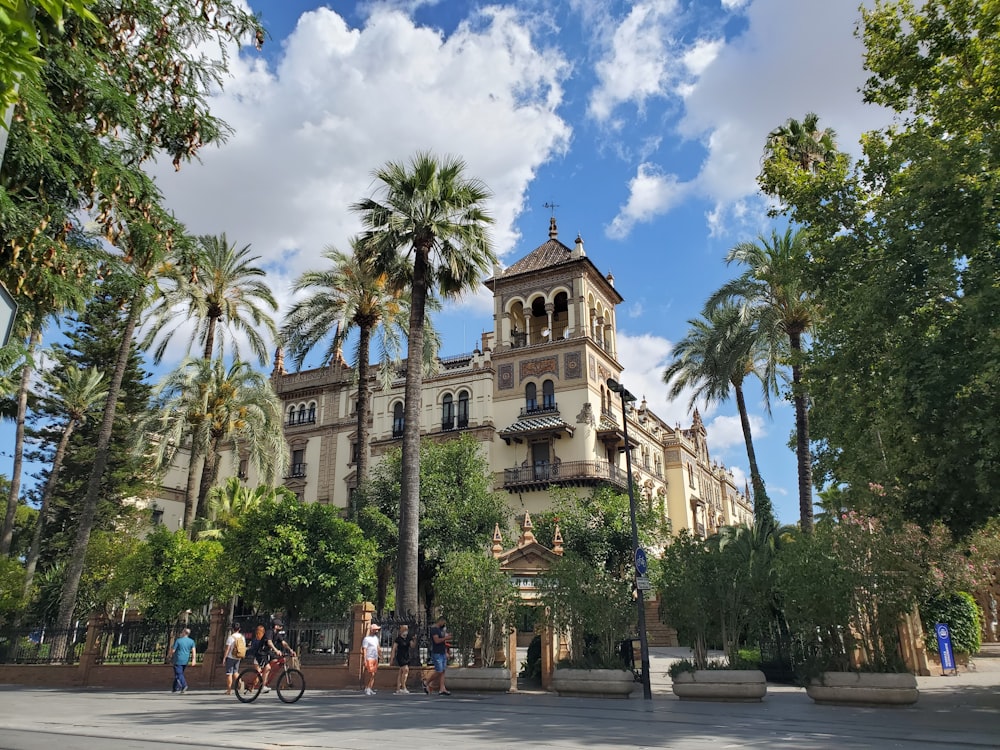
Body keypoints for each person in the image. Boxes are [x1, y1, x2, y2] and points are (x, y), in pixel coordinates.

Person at [259, 619, 295, 692]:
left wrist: (290, 650)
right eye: (280, 626)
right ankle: (262, 686)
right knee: (268, 667)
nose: (281, 627)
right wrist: (276, 650)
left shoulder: (277, 634)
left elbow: (283, 643)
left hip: (268, 652)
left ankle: (266, 680)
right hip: (261, 652)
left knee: (278, 661)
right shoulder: (269, 632)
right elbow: (269, 642)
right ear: (275, 626)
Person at [422, 616, 450, 696]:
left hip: (442, 652)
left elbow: (443, 642)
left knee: (443, 670)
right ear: (440, 621)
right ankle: (426, 682)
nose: (444, 624)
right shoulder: (434, 629)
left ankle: (442, 688)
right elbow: (437, 640)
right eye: (443, 622)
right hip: (436, 652)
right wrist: (446, 638)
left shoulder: (442, 629)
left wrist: (446, 651)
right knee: (439, 670)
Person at [169, 628, 196, 694]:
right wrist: (193, 659)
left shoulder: (178, 641)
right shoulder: (191, 641)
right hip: (185, 660)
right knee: (179, 673)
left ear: (184, 632)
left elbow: (173, 650)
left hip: (178, 659)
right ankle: (175, 687)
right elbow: (193, 651)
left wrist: (169, 654)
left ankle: (184, 685)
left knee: (179, 674)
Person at [221, 622, 246, 695]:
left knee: (229, 673)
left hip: (230, 657)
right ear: (239, 629)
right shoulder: (242, 637)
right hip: (238, 657)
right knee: (236, 672)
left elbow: (227, 649)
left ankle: (229, 690)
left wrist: (224, 658)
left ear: (232, 629)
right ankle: (241, 685)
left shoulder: (231, 637)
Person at [390, 624, 415, 694]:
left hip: (406, 656)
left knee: (401, 672)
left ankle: (398, 688)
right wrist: (392, 658)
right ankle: (404, 687)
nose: (406, 631)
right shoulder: (398, 639)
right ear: (401, 630)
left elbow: (412, 646)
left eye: (406, 630)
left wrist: (414, 640)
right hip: (400, 656)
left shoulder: (408, 638)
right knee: (406, 670)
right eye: (404, 630)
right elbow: (394, 649)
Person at [361, 623, 381, 695]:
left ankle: (369, 687)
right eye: (375, 630)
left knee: (373, 674)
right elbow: (364, 649)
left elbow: (378, 647)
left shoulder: (376, 638)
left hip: (375, 658)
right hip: (369, 658)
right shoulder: (366, 639)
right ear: (372, 630)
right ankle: (368, 688)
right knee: (371, 674)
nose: (377, 631)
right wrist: (364, 659)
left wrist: (380, 655)